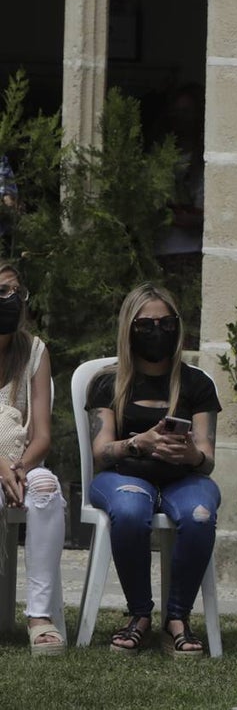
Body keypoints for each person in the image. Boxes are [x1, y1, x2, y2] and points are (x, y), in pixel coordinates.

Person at [86, 283, 221, 657]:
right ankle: (139, 616)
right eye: (146, 325)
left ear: (177, 327)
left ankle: (177, 618)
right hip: (123, 475)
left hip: (183, 477)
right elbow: (100, 454)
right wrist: (139, 443)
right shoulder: (107, 383)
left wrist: (191, 454)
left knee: (200, 513)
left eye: (166, 323)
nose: (157, 332)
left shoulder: (197, 383)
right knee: (129, 511)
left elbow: (208, 460)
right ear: (129, 329)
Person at [0, 263, 65, 655]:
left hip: (20, 462)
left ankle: (40, 615)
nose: (6, 300)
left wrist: (19, 469)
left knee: (46, 486)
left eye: (11, 291)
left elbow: (42, 435)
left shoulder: (36, 351)